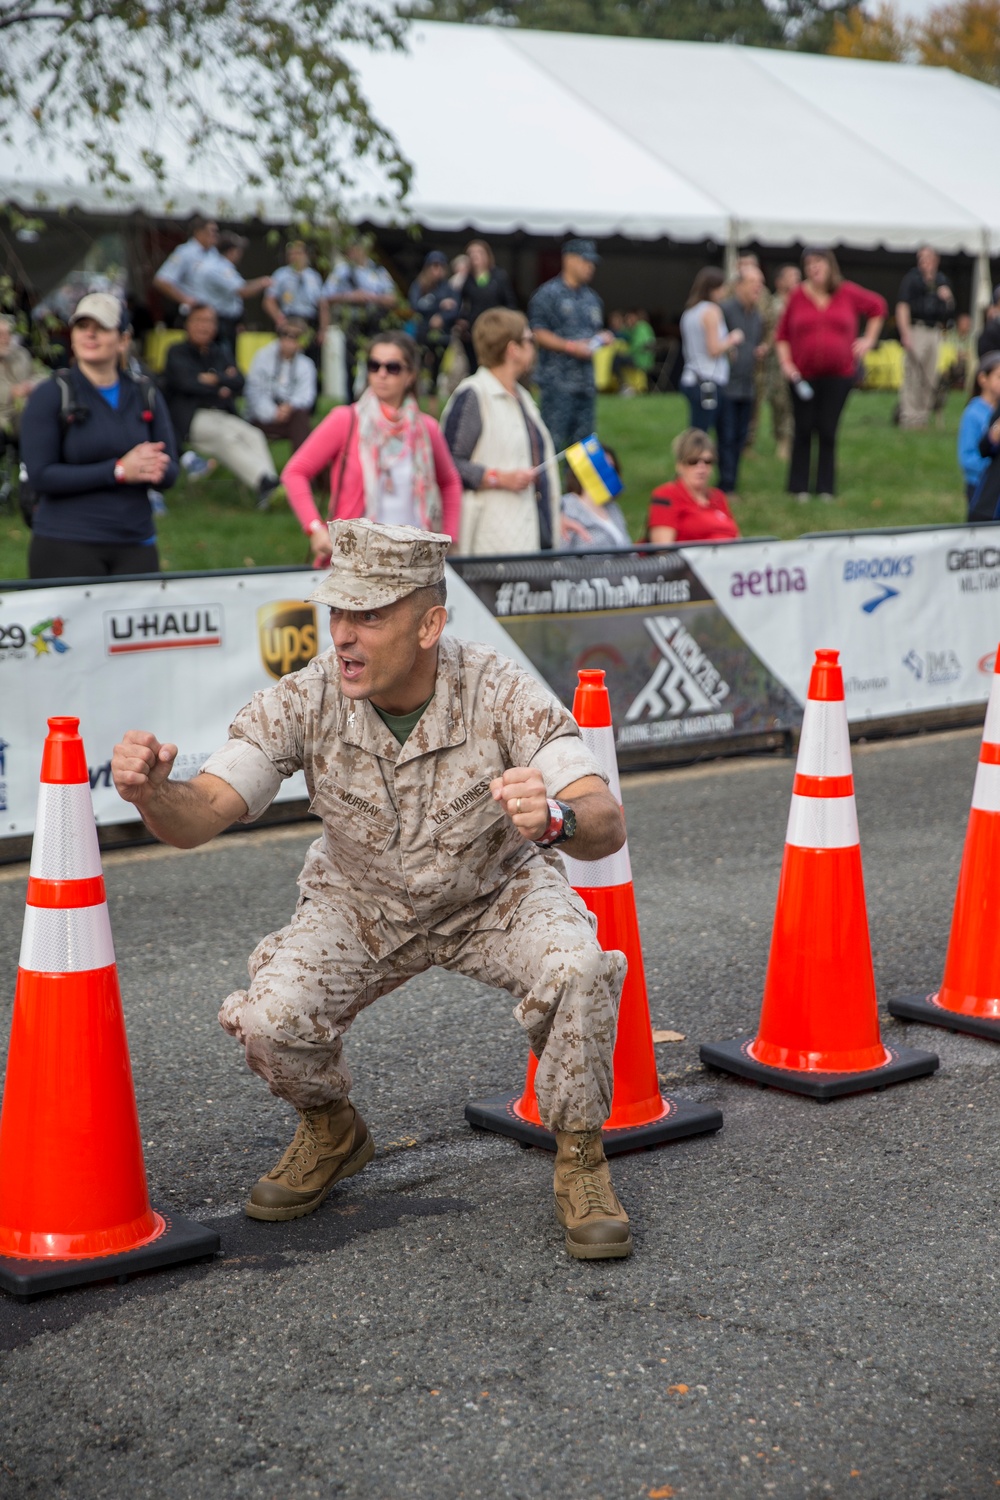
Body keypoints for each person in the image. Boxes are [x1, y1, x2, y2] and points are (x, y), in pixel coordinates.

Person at [110, 519, 633, 1259]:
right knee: (269, 1016)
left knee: (578, 966)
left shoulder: (499, 687)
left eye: (371, 615)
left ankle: (581, 1157)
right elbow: (203, 816)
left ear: (429, 624)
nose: (345, 636)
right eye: (338, 612)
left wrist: (555, 817)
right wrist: (155, 794)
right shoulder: (307, 697)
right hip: (361, 905)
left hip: (492, 896)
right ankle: (332, 1128)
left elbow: (606, 824)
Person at [19, 292, 178, 578]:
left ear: (123, 340)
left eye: (101, 327)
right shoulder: (51, 395)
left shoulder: (146, 392)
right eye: (82, 327)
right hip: (66, 543)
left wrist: (154, 467)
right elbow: (42, 475)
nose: (89, 335)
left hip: (136, 543)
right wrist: (118, 470)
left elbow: (170, 473)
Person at [281, 331, 461, 562]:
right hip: (357, 559)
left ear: (410, 376)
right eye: (374, 366)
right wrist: (314, 529)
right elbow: (294, 472)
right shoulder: (346, 419)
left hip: (416, 561)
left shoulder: (426, 429)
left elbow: (450, 482)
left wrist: (450, 538)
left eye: (393, 367)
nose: (382, 374)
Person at [440, 308, 559, 555]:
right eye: (529, 340)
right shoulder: (474, 394)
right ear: (512, 349)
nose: (534, 348)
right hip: (489, 542)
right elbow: (447, 462)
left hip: (528, 536)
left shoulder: (522, 396)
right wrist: (498, 478)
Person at [776, 248, 886, 503]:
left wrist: (868, 340)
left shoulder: (846, 292)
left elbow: (878, 307)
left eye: (819, 262)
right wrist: (786, 363)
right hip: (803, 375)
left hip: (838, 374)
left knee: (827, 429)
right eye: (809, 264)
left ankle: (825, 487)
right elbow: (781, 335)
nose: (814, 268)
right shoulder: (797, 296)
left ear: (830, 266)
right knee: (803, 429)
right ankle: (798, 488)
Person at [161, 304, 283, 511]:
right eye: (199, 320)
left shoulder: (220, 352)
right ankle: (266, 485)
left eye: (209, 321)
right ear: (188, 324)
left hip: (223, 413)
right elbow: (186, 383)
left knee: (254, 435)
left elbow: (240, 381)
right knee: (226, 437)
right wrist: (221, 384)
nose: (204, 326)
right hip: (192, 418)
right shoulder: (176, 352)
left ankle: (271, 490)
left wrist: (214, 378)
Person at [528, 239, 611, 456]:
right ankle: (547, 490)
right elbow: (537, 332)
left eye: (592, 263)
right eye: (585, 261)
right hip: (557, 384)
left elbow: (591, 332)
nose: (590, 267)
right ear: (569, 260)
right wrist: (570, 347)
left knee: (585, 449)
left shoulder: (593, 299)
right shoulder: (548, 294)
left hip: (585, 384)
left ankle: (580, 490)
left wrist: (600, 339)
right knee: (551, 446)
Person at [319, 241, 398, 401]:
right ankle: (350, 402)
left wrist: (372, 298)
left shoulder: (377, 271)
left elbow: (393, 299)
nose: (355, 253)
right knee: (351, 364)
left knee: (375, 362)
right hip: (352, 323)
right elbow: (325, 297)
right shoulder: (343, 271)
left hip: (374, 323)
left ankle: (372, 397)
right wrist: (350, 296)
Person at [678, 268, 744, 435]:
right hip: (708, 379)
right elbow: (713, 349)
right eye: (721, 288)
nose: (723, 293)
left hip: (691, 375)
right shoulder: (711, 311)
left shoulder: (689, 312)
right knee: (703, 434)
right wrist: (732, 339)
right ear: (712, 288)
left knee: (697, 428)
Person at [895, 246, 955, 429]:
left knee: (930, 373)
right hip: (917, 328)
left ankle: (923, 415)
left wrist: (948, 298)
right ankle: (909, 416)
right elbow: (902, 306)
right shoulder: (912, 279)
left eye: (927, 258)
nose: (924, 262)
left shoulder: (942, 281)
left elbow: (951, 309)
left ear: (935, 260)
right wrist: (905, 333)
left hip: (934, 330)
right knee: (914, 372)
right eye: (921, 258)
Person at [646, 429, 740, 545]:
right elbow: (662, 549)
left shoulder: (718, 497)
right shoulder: (666, 495)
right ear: (679, 465)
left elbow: (737, 538)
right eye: (693, 461)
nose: (701, 468)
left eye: (707, 461)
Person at [719, 266, 766, 494]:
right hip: (727, 386)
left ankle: (732, 482)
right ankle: (726, 484)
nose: (758, 286)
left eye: (760, 282)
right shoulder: (725, 310)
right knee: (726, 437)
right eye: (752, 281)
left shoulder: (757, 315)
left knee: (740, 437)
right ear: (738, 285)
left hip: (748, 386)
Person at [190, 232, 273, 358]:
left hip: (225, 322)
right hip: (219, 322)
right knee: (222, 357)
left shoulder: (217, 265)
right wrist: (264, 282)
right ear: (232, 251)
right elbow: (242, 290)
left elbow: (240, 286)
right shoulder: (218, 268)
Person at [244, 320, 317, 455]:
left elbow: (307, 396)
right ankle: (303, 470)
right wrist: (273, 413)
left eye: (295, 336)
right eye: (285, 334)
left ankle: (303, 468)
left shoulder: (306, 364)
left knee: (300, 419)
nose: (289, 339)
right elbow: (253, 393)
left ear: (302, 341)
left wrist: (289, 406)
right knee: (303, 430)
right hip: (261, 416)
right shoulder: (262, 357)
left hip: (290, 416)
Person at [758, 265, 801, 462]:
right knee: (777, 400)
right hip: (774, 361)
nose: (796, 280)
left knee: (793, 401)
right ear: (780, 281)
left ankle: (788, 440)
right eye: (791, 277)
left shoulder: (803, 302)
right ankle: (779, 436)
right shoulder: (772, 304)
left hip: (798, 359)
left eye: (798, 277)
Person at [456, 240, 518, 372]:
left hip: (495, 329)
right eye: (471, 254)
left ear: (487, 255)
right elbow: (462, 305)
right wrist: (462, 321)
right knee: (475, 366)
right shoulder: (467, 280)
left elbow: (510, 303)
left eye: (478, 252)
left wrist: (506, 323)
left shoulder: (499, 277)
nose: (475, 256)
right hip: (473, 331)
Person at [408, 251, 460, 406]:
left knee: (436, 371)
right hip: (422, 334)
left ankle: (432, 403)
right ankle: (413, 399)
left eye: (440, 266)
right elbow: (416, 306)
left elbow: (454, 310)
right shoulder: (419, 285)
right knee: (417, 367)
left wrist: (441, 317)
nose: (436, 270)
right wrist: (439, 304)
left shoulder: (448, 287)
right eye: (434, 266)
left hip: (442, 336)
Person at [263, 241, 324, 368]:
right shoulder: (281, 275)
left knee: (309, 359)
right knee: (287, 358)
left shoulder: (314, 276)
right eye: (291, 254)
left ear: (306, 255)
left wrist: (322, 329)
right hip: (289, 318)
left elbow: (323, 304)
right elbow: (268, 300)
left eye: (298, 253)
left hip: (308, 321)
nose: (294, 257)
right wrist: (280, 319)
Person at [561, 444, 632, 550]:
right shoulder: (564, 507)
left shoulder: (612, 508)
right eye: (603, 467)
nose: (609, 473)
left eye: (612, 467)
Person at [152, 216, 219, 317]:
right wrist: (185, 299)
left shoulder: (213, 253)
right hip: (190, 312)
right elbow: (162, 280)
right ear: (198, 232)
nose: (215, 235)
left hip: (210, 312)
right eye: (212, 231)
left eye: (216, 232)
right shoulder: (185, 252)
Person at [960, 353, 1000, 514]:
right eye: (999, 377)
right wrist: (991, 472)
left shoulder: (997, 412)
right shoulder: (972, 413)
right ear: (983, 379)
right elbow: (967, 457)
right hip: (978, 486)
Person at [0, 314, 40, 441]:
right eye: (1, 334)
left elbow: (42, 374)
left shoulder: (21, 354)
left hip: (26, 411)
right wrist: (11, 391)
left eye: (8, 334)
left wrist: (31, 385)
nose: (5, 339)